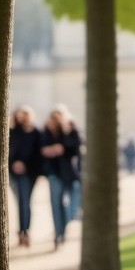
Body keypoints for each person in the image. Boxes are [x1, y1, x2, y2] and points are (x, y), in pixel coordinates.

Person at [40, 105, 81, 249]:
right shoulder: (46, 132)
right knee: (56, 204)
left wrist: (61, 145)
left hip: (68, 173)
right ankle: (59, 233)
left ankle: (63, 230)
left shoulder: (70, 131)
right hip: (53, 173)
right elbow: (42, 149)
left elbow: (75, 149)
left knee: (67, 204)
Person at [8, 105, 43, 247]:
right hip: (14, 173)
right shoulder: (13, 132)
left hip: (29, 173)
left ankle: (25, 231)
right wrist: (14, 164)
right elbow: (9, 151)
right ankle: (22, 231)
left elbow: (38, 154)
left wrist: (25, 165)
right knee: (20, 202)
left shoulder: (36, 133)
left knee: (25, 201)